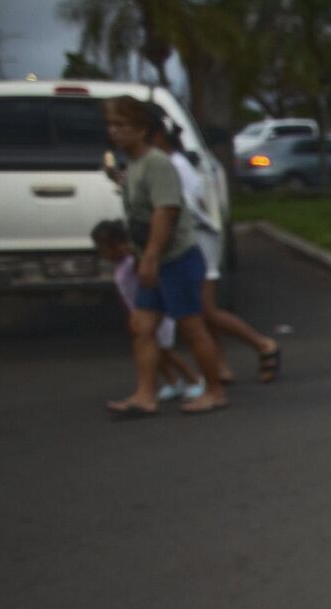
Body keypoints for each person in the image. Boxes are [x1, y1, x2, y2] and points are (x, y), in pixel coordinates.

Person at [102, 96, 229, 416]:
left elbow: (166, 212)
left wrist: (151, 257)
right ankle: (145, 395)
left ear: (142, 129)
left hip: (175, 259)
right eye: (110, 125)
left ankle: (214, 391)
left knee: (191, 327)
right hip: (153, 258)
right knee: (142, 327)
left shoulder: (158, 163)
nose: (114, 132)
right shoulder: (134, 165)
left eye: (121, 125)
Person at [161, 127, 282, 383]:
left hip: (199, 240)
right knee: (202, 311)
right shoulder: (172, 163)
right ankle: (220, 366)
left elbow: (185, 207)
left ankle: (263, 344)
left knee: (206, 310)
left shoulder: (175, 165)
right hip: (192, 240)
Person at [93, 219, 203, 402]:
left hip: (156, 312)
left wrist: (133, 251)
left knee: (164, 351)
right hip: (138, 313)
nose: (102, 253)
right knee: (153, 352)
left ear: (118, 245)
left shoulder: (132, 261)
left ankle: (194, 379)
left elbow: (142, 267)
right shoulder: (120, 266)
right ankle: (173, 381)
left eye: (105, 248)